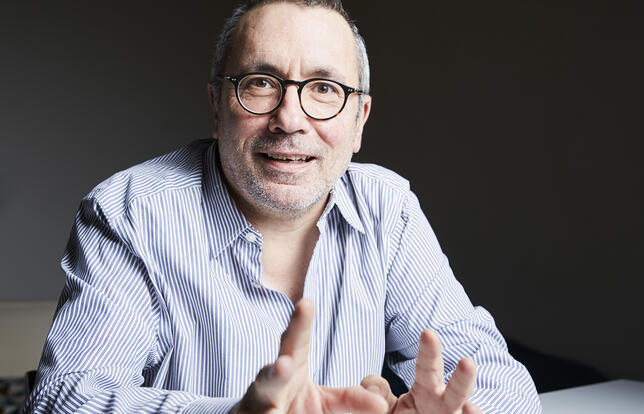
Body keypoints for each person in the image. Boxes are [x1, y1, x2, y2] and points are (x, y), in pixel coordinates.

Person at [25, 1, 542, 413]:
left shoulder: (388, 209)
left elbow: (502, 384)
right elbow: (61, 400)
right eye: (260, 83)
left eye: (324, 88)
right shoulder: (129, 214)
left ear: (359, 121)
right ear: (216, 106)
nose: (289, 119)